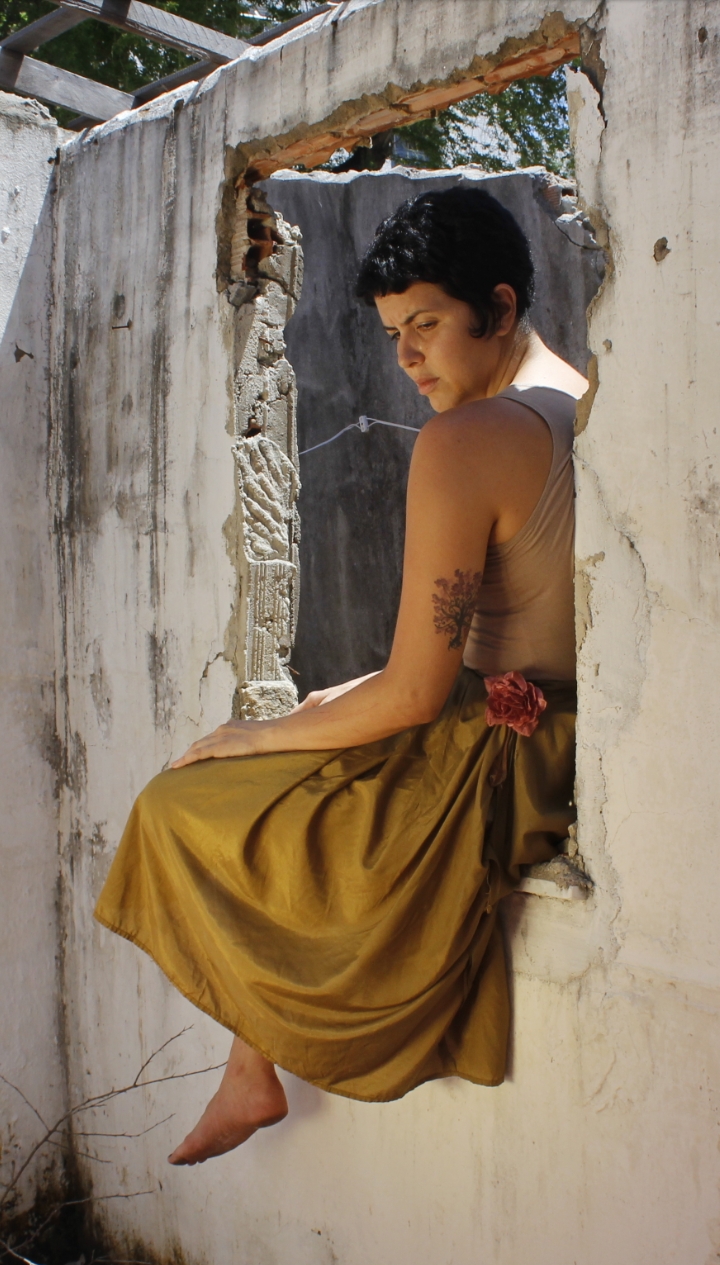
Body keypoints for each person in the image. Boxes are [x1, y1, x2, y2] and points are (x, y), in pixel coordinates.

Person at [95, 186, 587, 1166]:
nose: (405, 358)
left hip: (496, 744)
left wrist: (255, 735)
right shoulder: (580, 397)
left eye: (426, 326)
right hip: (552, 729)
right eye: (394, 332)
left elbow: (415, 693)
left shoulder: (464, 440)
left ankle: (254, 1067)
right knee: (324, 717)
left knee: (181, 802)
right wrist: (335, 701)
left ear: (498, 306)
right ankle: (249, 1070)